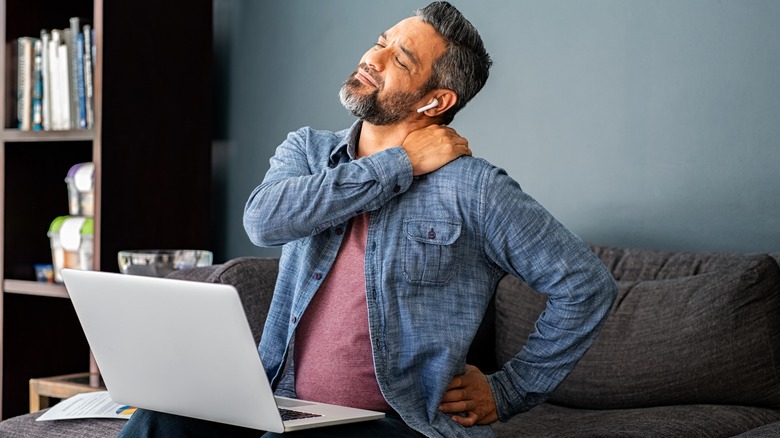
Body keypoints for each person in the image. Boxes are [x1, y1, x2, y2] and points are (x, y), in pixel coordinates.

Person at [118, 2, 617, 437]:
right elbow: (264, 222)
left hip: (395, 424)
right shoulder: (308, 150)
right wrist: (396, 166)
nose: (371, 58)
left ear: (435, 101)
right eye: (380, 43)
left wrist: (510, 390)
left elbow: (586, 284)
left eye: (399, 59)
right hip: (279, 402)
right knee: (155, 422)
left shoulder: (474, 188)